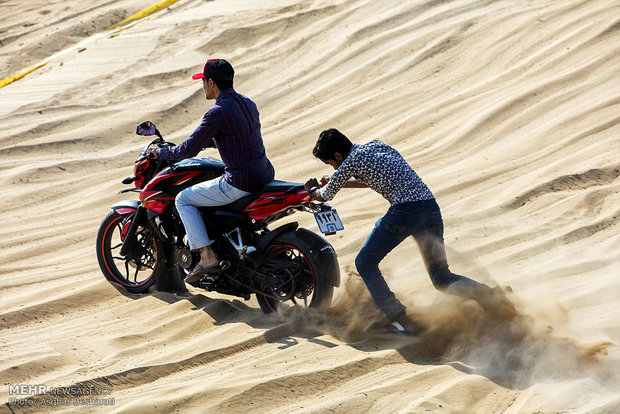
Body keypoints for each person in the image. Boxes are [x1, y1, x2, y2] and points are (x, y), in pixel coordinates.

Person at [304, 128, 514, 334]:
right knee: (441, 277)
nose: (333, 169)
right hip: (431, 209)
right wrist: (338, 181)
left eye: (331, 163)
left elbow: (324, 195)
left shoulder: (350, 161)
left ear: (338, 155)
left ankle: (402, 321)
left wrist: (312, 190)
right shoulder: (375, 146)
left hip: (405, 212)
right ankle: (493, 297)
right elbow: (370, 180)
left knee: (365, 263)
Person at [147, 58, 275, 284]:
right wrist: (213, 141)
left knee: (183, 199)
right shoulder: (248, 103)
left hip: (240, 182)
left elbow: (187, 150)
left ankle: (207, 258)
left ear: (211, 83)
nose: (202, 86)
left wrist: (161, 153)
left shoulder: (217, 112)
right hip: (264, 175)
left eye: (203, 81)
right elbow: (240, 137)